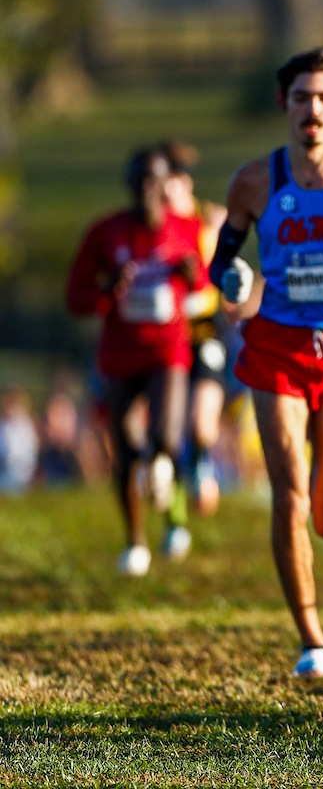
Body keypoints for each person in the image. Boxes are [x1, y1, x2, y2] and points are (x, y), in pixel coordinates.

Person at [207, 47, 323, 680]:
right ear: (284, 105)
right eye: (300, 98)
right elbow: (222, 258)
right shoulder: (256, 180)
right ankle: (311, 635)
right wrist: (230, 278)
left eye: (322, 98)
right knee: (288, 492)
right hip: (279, 344)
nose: (311, 110)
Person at [66, 145, 205, 574]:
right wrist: (109, 289)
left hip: (168, 351)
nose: (148, 189)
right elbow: (76, 297)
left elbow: (202, 282)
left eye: (156, 181)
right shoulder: (106, 233)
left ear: (168, 186)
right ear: (129, 186)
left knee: (166, 436)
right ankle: (135, 541)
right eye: (141, 180)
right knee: (125, 449)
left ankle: (167, 491)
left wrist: (189, 274)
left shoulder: (185, 227)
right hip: (120, 356)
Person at [162, 140, 229, 516]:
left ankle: (201, 460)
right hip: (164, 332)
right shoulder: (153, 226)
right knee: (166, 428)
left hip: (204, 329)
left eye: (177, 178)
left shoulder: (209, 219)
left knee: (202, 424)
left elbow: (223, 274)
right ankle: (174, 509)